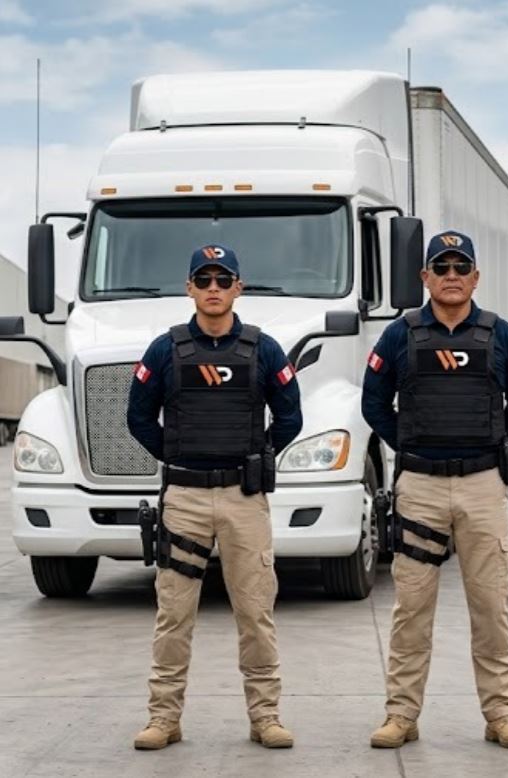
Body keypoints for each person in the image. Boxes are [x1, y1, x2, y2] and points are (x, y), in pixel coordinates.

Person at [362, 230, 508, 750]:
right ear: (425, 278)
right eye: (442, 267)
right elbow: (375, 405)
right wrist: (413, 443)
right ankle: (401, 717)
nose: (452, 276)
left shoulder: (500, 334)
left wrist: (488, 442)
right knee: (412, 609)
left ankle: (501, 716)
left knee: (491, 608)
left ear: (476, 277)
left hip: (484, 486)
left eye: (462, 268)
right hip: (420, 488)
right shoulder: (400, 335)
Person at [127, 244, 302, 751]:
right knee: (174, 615)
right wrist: (176, 454)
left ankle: (265, 717)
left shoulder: (263, 349)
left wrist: (258, 455)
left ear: (238, 288)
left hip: (244, 500)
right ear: (189, 288)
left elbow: (290, 417)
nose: (213, 289)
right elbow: (138, 418)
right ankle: (164, 719)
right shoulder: (166, 349)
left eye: (223, 280)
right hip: (183, 498)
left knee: (255, 613)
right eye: (203, 280)